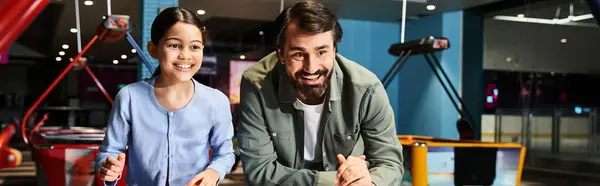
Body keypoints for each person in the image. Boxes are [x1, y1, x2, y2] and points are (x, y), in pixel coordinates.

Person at [237, 1, 404, 186]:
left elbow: (389, 162)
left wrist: (369, 182)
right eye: (299, 54)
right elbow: (259, 171)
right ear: (281, 55)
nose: (311, 68)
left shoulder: (366, 88)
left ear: (334, 51)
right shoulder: (257, 84)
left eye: (321, 52)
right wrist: (334, 181)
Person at [95, 7, 235, 186]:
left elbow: (225, 153)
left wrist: (213, 173)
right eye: (174, 45)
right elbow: (109, 151)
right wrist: (109, 167)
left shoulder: (216, 101)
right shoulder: (130, 97)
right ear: (153, 49)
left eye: (195, 47)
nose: (185, 55)